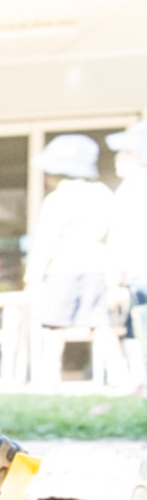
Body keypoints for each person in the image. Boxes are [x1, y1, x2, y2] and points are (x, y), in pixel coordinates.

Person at [26, 134, 125, 386]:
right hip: (97, 269)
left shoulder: (57, 199)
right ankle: (119, 373)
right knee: (100, 324)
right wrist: (115, 275)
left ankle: (49, 375)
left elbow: (45, 241)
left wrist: (32, 278)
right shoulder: (102, 194)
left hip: (61, 270)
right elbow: (115, 237)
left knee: (54, 326)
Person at [106, 122, 147, 388]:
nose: (117, 159)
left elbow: (121, 236)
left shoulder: (131, 188)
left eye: (123, 154)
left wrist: (114, 275)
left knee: (141, 326)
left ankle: (142, 383)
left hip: (140, 272)